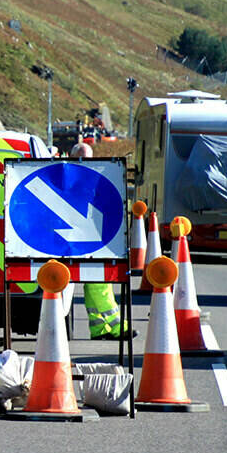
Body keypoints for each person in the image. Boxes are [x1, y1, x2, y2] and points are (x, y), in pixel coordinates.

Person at [67, 142, 135, 340]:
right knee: (99, 284)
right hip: (89, 242)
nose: (84, 163)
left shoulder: (70, 176)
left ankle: (99, 329)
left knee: (94, 285)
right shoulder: (89, 179)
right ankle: (117, 327)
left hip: (89, 241)